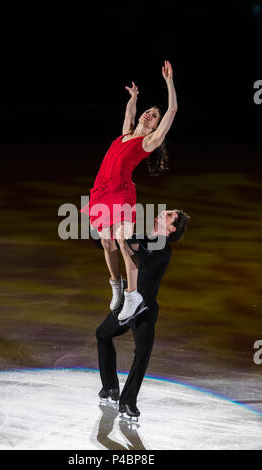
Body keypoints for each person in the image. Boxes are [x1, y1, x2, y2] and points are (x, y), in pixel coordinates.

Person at [80, 61, 178, 323]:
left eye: (154, 116)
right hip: (102, 192)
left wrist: (168, 81)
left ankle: (132, 295)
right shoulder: (125, 134)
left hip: (122, 193)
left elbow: (173, 110)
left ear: (156, 127)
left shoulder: (147, 142)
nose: (150, 114)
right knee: (106, 242)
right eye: (149, 111)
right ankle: (116, 284)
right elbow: (129, 115)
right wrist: (133, 98)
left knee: (123, 240)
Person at [95, 209, 190, 420]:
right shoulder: (141, 238)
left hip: (143, 308)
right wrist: (105, 229)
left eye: (169, 215)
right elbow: (107, 243)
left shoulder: (164, 250)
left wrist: (124, 240)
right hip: (127, 302)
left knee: (143, 351)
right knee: (102, 334)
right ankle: (110, 387)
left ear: (172, 228)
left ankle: (128, 402)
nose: (163, 211)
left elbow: (143, 260)